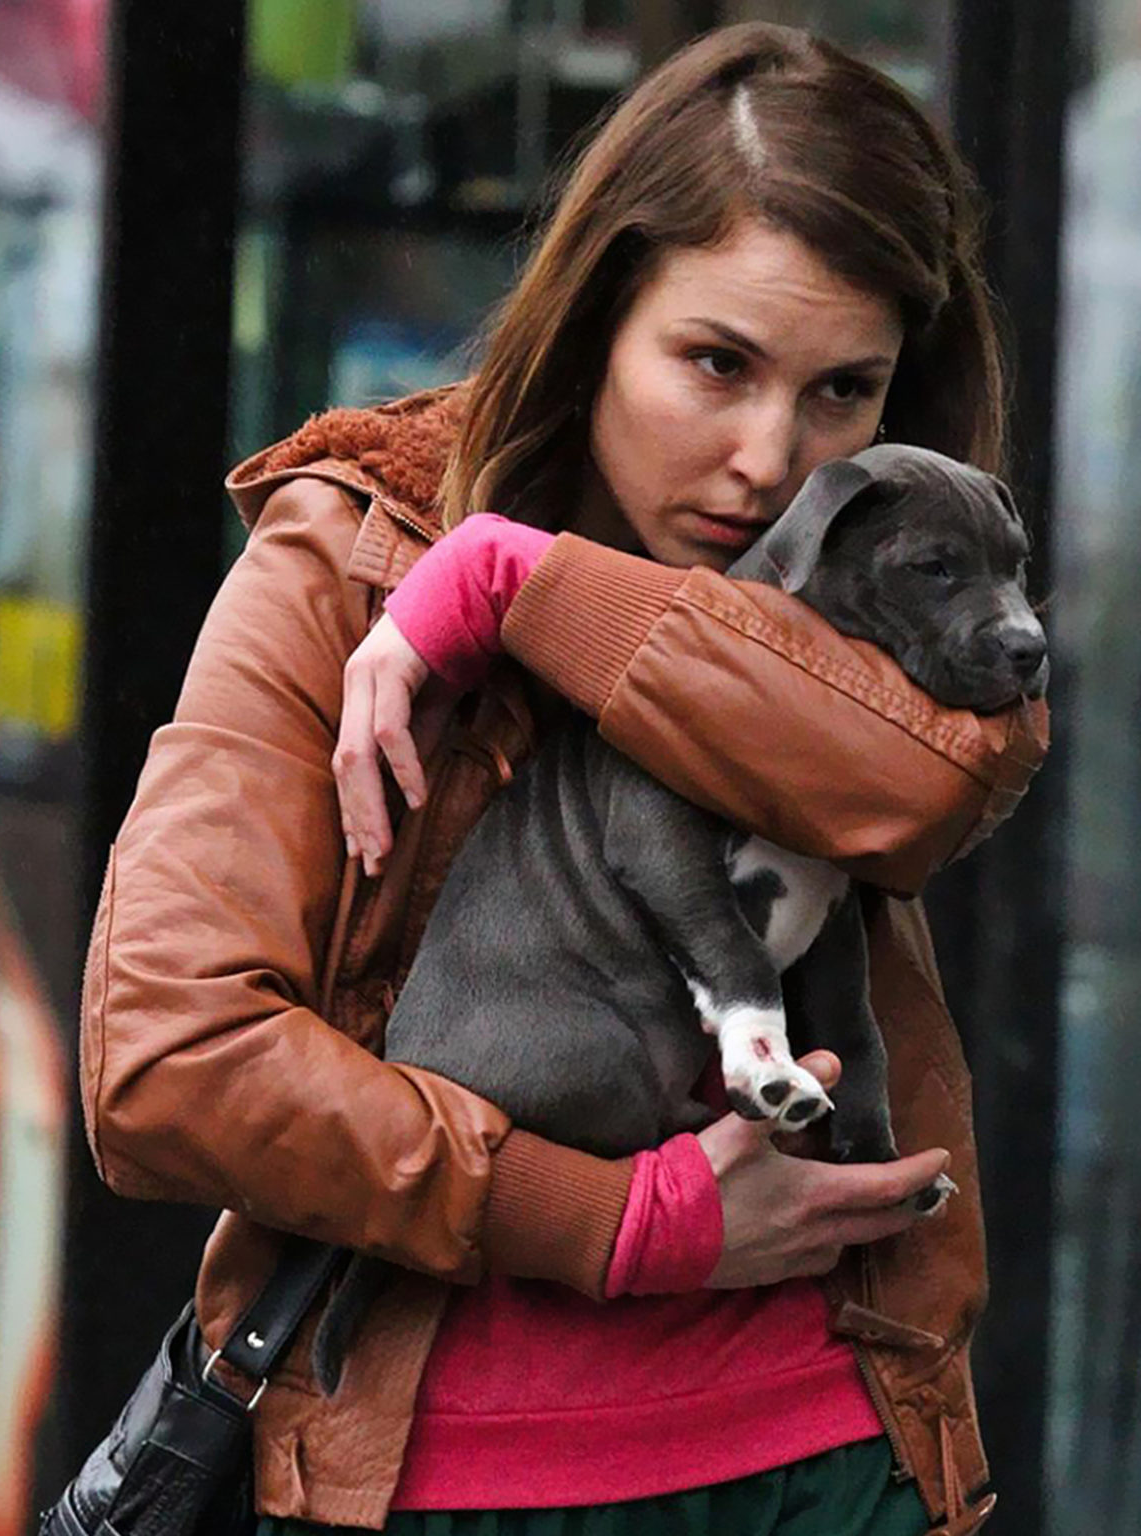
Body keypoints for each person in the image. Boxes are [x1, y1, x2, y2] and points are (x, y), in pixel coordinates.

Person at [80, 23, 1046, 1536]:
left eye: (843, 393)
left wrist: (519, 585)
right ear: (598, 317)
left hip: (833, 1448)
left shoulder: (883, 587)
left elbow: (932, 781)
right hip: (450, 1475)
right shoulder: (352, 553)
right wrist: (617, 1221)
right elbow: (169, 1064)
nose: (769, 460)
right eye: (716, 363)